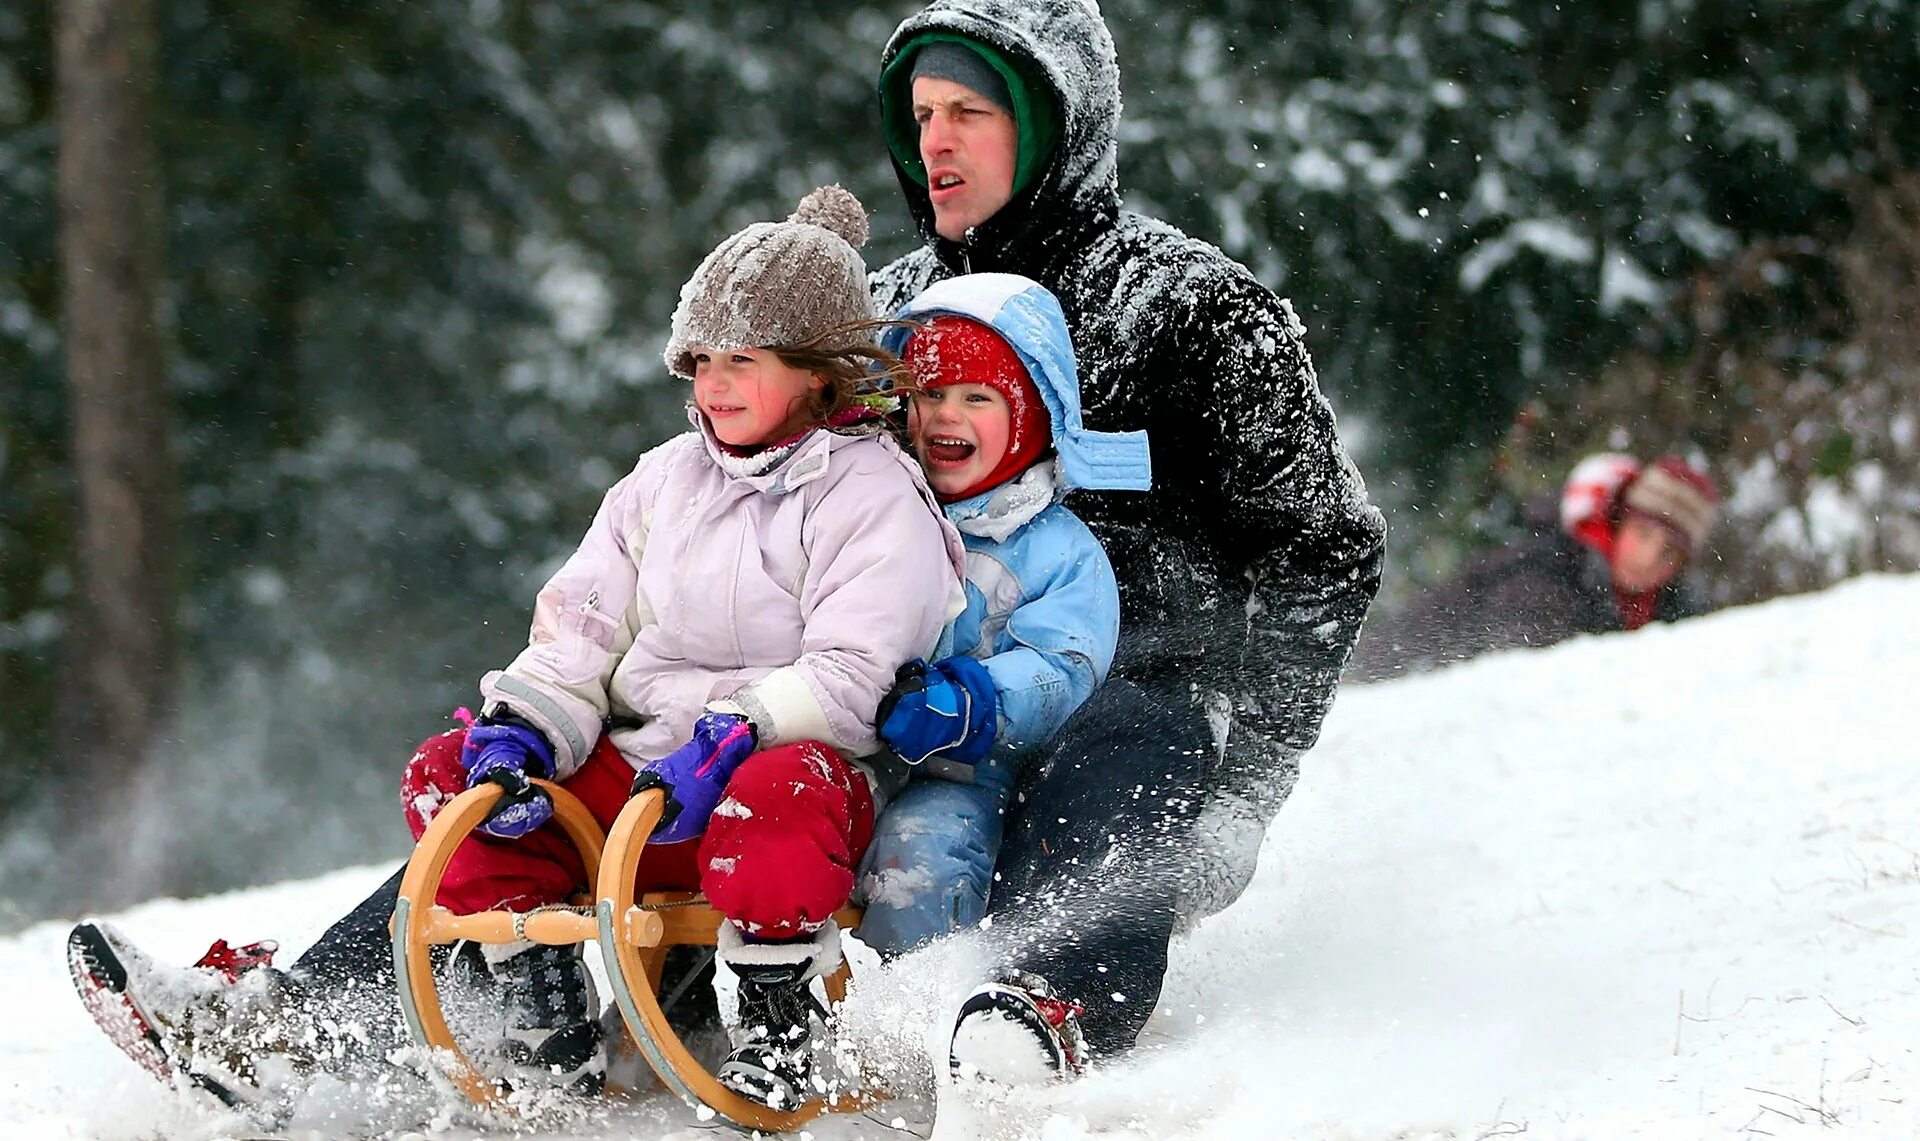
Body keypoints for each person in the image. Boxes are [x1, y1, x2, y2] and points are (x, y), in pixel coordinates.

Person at [67, 185, 967, 1115]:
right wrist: (525, 726)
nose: (715, 383)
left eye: (743, 359)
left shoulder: (870, 493)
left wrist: (742, 734)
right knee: (452, 778)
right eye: (700, 359)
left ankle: (783, 1027)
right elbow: (581, 626)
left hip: (787, 777)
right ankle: (536, 1012)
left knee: (775, 799)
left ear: (819, 372)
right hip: (643, 779)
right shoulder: (663, 483)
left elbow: (858, 669)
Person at [869, 0, 1387, 1080]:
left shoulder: (1193, 310)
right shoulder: (885, 323)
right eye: (922, 115)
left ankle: (1041, 1009)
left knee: (1122, 736)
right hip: (912, 706)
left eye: (971, 111)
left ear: (1057, 123)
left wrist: (1248, 792)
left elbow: (1321, 547)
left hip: (1125, 724)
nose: (938, 144)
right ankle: (584, 968)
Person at [853, 272, 1149, 1074]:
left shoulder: (1056, 550)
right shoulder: (873, 504)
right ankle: (742, 997)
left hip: (968, 766)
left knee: (921, 852)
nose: (946, 414)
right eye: (930, 391)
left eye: (978, 397)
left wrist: (975, 698)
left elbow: (1066, 663)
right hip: (852, 745)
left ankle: (913, 1023)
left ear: (1030, 420)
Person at [1349, 453, 1720, 682]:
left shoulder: (1676, 615)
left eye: (1668, 552)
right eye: (1642, 534)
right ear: (1618, 523)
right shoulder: (1544, 580)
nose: (1647, 559)